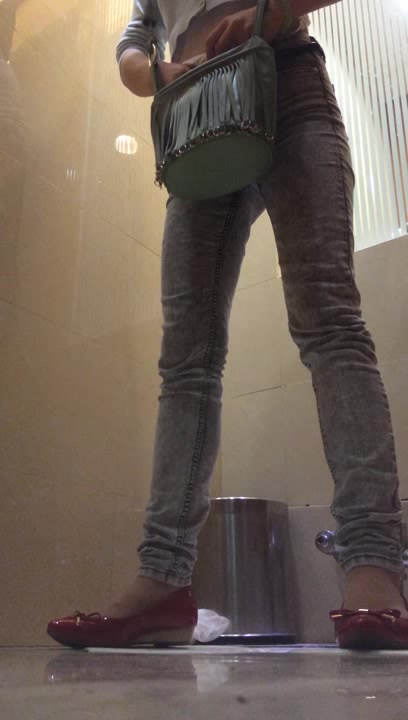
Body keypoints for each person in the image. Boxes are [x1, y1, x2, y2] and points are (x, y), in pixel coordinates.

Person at [48, 0, 408, 651]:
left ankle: (374, 563)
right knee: (185, 361)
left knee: (329, 321)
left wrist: (275, 10)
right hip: (198, 111)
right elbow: (134, 45)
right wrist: (161, 72)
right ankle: (163, 581)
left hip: (287, 76)